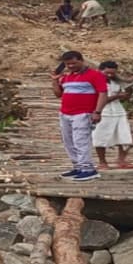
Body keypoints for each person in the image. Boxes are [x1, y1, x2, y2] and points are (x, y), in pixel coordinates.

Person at [51, 50, 108, 181]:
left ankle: (88, 169)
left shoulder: (95, 75)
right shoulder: (66, 77)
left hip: (83, 113)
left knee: (81, 140)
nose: (71, 66)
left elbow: (103, 93)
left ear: (81, 60)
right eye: (67, 64)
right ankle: (78, 166)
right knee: (68, 141)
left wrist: (97, 111)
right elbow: (58, 94)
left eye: (73, 63)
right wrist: (55, 81)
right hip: (65, 113)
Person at [92, 61, 133, 170]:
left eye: (112, 73)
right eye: (107, 73)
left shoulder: (116, 82)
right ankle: (102, 162)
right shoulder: (94, 82)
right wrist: (116, 96)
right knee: (100, 137)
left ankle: (121, 160)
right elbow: (98, 99)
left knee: (125, 136)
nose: (110, 75)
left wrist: (129, 88)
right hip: (103, 112)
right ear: (100, 70)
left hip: (118, 112)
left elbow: (125, 98)